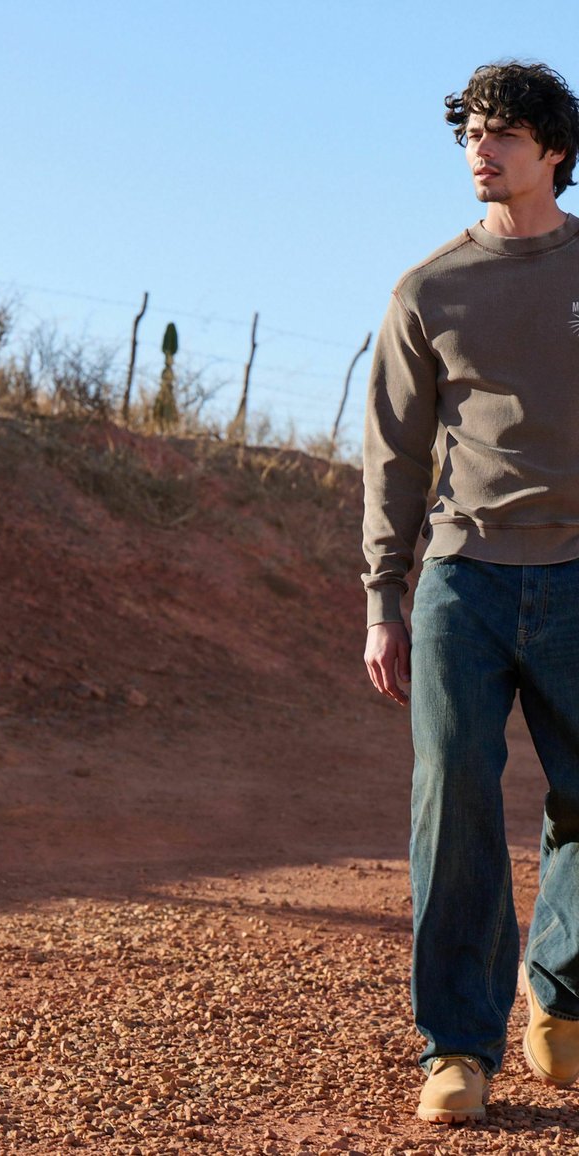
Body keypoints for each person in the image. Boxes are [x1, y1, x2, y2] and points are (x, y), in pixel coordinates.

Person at [361, 60, 579, 1124]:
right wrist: (381, 600)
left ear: (553, 152)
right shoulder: (428, 290)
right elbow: (393, 460)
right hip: (465, 577)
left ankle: (561, 986)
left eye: (502, 134)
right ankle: (455, 1046)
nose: (479, 150)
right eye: (470, 133)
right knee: (451, 802)